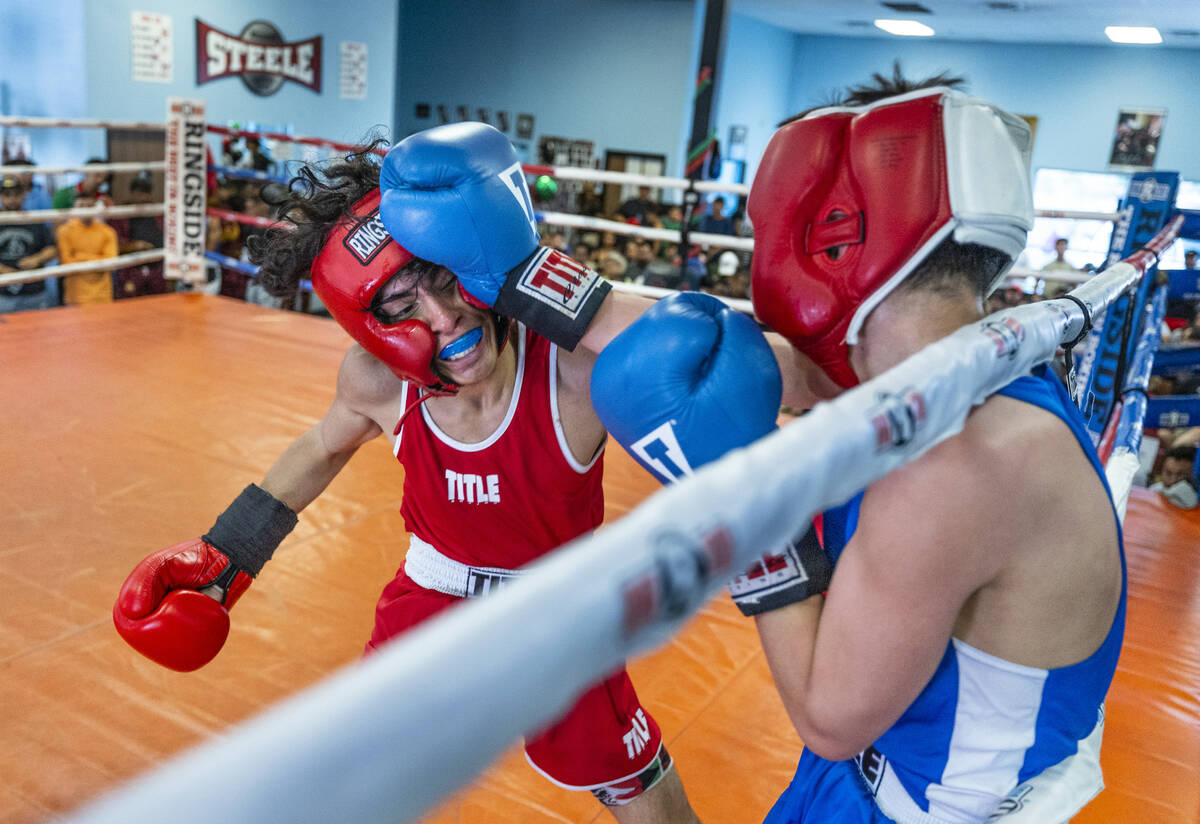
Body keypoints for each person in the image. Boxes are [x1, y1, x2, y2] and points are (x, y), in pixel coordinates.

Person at [111, 133, 708, 823]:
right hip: (432, 599)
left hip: (560, 607)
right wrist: (229, 553)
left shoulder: (569, 367)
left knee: (640, 795)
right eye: (401, 305)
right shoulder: (379, 380)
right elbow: (322, 447)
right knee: (353, 781)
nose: (444, 316)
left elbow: (701, 357)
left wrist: (558, 285)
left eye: (449, 279)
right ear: (373, 329)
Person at [594, 69, 1124, 823]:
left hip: (914, 802)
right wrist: (519, 283)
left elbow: (828, 717)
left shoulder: (954, 464)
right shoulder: (973, 367)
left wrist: (742, 502)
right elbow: (742, 361)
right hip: (875, 775)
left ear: (831, 236)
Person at [0, 175, 58, 312]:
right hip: (3, 293)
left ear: (23, 195)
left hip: (34, 291)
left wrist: (37, 259)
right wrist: (3, 270)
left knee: (39, 331)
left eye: (16, 194)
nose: (12, 199)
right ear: (1, 197)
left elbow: (53, 249)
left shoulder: (34, 219)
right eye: (7, 195)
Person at [55, 189, 117, 305]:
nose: (85, 210)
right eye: (81, 206)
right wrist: (98, 259)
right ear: (75, 207)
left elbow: (111, 263)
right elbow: (67, 262)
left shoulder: (107, 232)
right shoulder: (65, 231)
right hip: (76, 298)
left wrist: (79, 256)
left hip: (102, 297)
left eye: (89, 206)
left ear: (95, 207)